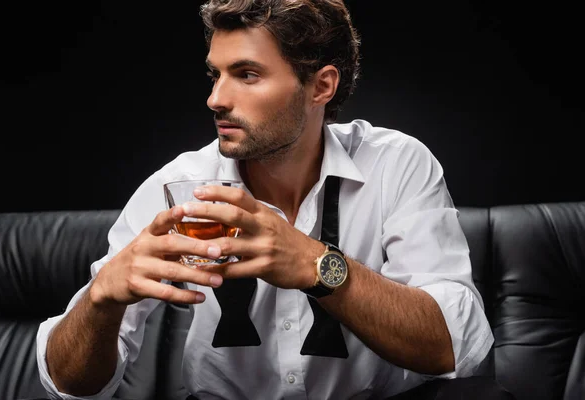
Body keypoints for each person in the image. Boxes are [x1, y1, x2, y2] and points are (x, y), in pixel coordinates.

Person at [36, 1, 513, 399]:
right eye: (214, 74)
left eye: (246, 74)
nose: (215, 99)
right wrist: (100, 301)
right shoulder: (180, 184)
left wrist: (314, 263)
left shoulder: (397, 164)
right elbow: (70, 385)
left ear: (321, 86)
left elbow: (453, 346)